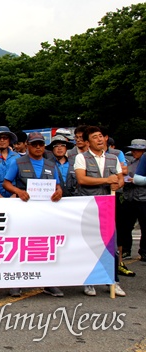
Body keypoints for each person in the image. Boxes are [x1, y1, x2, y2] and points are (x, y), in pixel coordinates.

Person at [2, 132, 64, 298]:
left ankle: (49, 282)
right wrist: (18, 191)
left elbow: (58, 186)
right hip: (24, 211)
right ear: (28, 146)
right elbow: (6, 183)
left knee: (45, 247)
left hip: (46, 213)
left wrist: (59, 191)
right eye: (34, 144)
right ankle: (16, 283)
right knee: (20, 246)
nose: (38, 147)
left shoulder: (51, 165)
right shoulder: (18, 162)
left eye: (41, 145)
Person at [74, 126, 126, 296]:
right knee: (90, 243)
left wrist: (117, 183)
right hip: (89, 205)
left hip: (108, 206)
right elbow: (82, 179)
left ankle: (113, 280)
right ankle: (89, 281)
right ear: (88, 142)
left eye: (101, 136)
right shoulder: (81, 158)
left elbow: (119, 180)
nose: (99, 139)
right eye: (95, 137)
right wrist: (106, 180)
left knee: (111, 243)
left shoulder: (113, 158)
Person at [121, 139, 146, 262]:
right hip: (129, 198)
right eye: (133, 149)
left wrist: (136, 180)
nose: (134, 151)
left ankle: (144, 251)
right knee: (126, 226)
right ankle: (126, 250)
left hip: (143, 199)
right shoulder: (129, 163)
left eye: (138, 149)